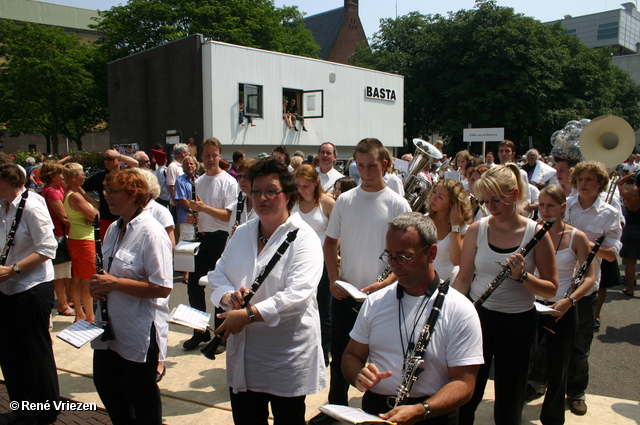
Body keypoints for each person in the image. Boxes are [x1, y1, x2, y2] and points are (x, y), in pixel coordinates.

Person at [209, 158, 326, 424]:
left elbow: (298, 295)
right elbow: (218, 274)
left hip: (285, 353)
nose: (262, 197)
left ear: (288, 195)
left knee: (288, 420)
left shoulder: (305, 238)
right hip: (245, 354)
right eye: (256, 191)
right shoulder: (242, 233)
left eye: (271, 190)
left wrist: (248, 315)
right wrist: (228, 297)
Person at [342, 212, 484, 425]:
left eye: (404, 256)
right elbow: (351, 355)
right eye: (389, 256)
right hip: (376, 411)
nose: (394, 265)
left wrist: (422, 409)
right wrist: (358, 375)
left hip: (432, 415)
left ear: (431, 253)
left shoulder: (460, 310)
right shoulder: (375, 302)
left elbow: (464, 383)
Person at [310, 138, 411, 425]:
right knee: (342, 354)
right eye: (360, 166)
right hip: (347, 294)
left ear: (384, 165)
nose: (365, 173)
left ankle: (376, 411)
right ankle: (336, 409)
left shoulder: (397, 203)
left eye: (372, 167)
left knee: (380, 357)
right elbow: (330, 243)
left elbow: (404, 254)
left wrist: (386, 283)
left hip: (385, 297)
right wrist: (333, 277)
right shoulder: (345, 200)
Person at [452, 164, 558, 425]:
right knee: (466, 394)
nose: (492, 207)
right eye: (486, 201)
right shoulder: (478, 229)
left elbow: (552, 288)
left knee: (510, 401)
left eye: (497, 199)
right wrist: (449, 312)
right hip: (479, 319)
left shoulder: (536, 233)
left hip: (518, 324)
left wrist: (523, 277)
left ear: (516, 193)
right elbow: (464, 276)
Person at [89, 169, 173, 425]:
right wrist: (98, 287)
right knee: (109, 388)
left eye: (113, 191)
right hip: (109, 327)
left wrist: (114, 283)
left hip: (138, 330)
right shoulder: (115, 227)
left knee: (142, 399)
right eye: (106, 191)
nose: (107, 197)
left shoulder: (151, 232)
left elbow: (162, 287)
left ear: (135, 195)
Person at [526, 185, 595, 425]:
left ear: (563, 207)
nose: (545, 211)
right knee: (523, 360)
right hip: (532, 305)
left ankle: (553, 418)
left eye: (551, 206)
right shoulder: (530, 231)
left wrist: (570, 300)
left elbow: (589, 277)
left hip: (563, 307)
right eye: (542, 205)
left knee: (559, 367)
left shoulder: (577, 236)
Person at [0, 162, 60, 425]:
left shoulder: (32, 205)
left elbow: (48, 248)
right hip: (6, 288)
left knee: (35, 353)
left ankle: (45, 412)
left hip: (32, 287)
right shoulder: (2, 204)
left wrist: (13, 269)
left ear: (9, 180)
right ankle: (23, 408)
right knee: (10, 353)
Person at [563, 160, 621, 415]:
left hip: (586, 286)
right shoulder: (566, 207)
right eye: (580, 180)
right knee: (545, 340)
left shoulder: (610, 213)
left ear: (600, 183)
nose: (583, 184)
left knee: (580, 344)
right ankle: (538, 382)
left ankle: (575, 392)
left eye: (589, 180)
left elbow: (611, 255)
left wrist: (583, 239)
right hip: (559, 280)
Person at [183, 138, 238, 351]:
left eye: (214, 155)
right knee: (193, 286)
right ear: (201, 157)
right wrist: (193, 217)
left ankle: (219, 335)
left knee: (218, 288)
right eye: (206, 155)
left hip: (220, 239)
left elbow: (228, 216)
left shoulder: (228, 181)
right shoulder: (200, 180)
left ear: (220, 156)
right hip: (201, 238)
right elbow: (199, 211)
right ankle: (199, 331)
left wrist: (204, 209)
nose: (210, 159)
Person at [293, 164, 335, 366]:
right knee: (302, 306)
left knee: (323, 308)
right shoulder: (294, 203)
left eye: (306, 186)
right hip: (299, 262)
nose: (302, 190)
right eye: (299, 185)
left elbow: (339, 233)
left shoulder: (327, 203)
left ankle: (324, 351)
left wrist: (333, 254)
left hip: (324, 262)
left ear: (316, 183)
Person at [63, 163, 98, 324]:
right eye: (82, 174)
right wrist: (91, 216)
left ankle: (80, 313)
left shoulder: (70, 194)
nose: (85, 176)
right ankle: (89, 316)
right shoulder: (75, 196)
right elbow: (95, 215)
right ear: (73, 177)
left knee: (77, 278)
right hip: (84, 240)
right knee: (86, 279)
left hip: (76, 238)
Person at [41, 161, 74, 317]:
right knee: (59, 273)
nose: (63, 175)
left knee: (66, 271)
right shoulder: (51, 191)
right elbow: (63, 216)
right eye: (60, 173)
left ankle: (68, 300)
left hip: (64, 233)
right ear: (53, 175)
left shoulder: (58, 187)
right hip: (59, 236)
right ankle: (62, 304)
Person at [427, 180, 473, 282]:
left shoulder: (463, 228)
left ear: (452, 203)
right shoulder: (424, 220)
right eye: (434, 192)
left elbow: (456, 260)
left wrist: (455, 227)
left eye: (440, 197)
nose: (433, 198)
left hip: (447, 284)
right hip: (423, 281)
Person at [82, 151, 123, 240]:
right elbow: (80, 189)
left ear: (119, 160)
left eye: (110, 158)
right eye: (104, 159)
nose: (106, 161)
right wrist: (94, 203)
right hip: (106, 218)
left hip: (125, 218)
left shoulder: (126, 174)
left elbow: (136, 163)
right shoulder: (99, 177)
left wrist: (119, 155)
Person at [618, 171, 640, 296]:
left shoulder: (631, 196)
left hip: (631, 229)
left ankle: (630, 288)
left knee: (630, 262)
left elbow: (619, 183)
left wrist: (631, 175)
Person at [229, 159, 258, 237]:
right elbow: (230, 235)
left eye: (246, 176)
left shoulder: (266, 206)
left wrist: (242, 233)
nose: (242, 180)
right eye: (240, 176)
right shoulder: (237, 206)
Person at [175, 155, 200, 245]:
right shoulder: (180, 181)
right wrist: (196, 208)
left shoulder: (200, 180)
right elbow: (182, 201)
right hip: (186, 219)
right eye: (186, 164)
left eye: (191, 163)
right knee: (185, 247)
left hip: (200, 220)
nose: (189, 166)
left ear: (196, 165)